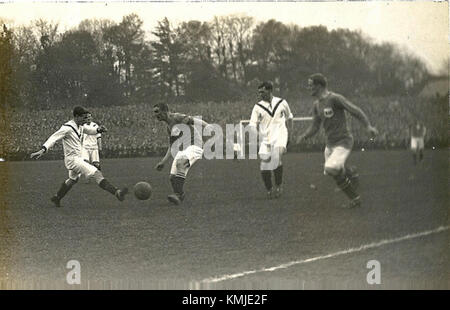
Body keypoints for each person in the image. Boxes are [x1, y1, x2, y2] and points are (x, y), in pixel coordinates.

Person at [297, 73, 378, 208]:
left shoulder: (334, 98)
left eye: (310, 85)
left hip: (343, 141)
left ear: (319, 86)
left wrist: (368, 126)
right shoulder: (317, 105)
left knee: (331, 169)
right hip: (330, 145)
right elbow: (315, 126)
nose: (308, 88)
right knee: (334, 171)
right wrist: (304, 136)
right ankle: (351, 173)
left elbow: (355, 110)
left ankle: (355, 198)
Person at [30, 106, 128, 207]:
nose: (85, 120)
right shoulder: (67, 128)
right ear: (76, 117)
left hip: (78, 158)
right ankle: (117, 192)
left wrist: (98, 130)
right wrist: (43, 149)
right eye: (83, 118)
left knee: (73, 180)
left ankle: (57, 197)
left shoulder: (80, 125)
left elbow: (90, 131)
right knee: (97, 173)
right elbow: (53, 138)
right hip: (73, 160)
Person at [153, 103, 210, 205]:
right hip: (183, 150)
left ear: (165, 110)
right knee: (172, 177)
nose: (155, 114)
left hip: (195, 145)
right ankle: (180, 194)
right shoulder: (169, 127)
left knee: (181, 163)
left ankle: (177, 195)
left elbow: (193, 120)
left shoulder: (177, 117)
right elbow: (172, 146)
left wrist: (207, 126)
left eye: (157, 111)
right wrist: (163, 162)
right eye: (154, 112)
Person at [249, 81, 293, 199]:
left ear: (269, 90)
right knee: (264, 165)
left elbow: (289, 118)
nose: (260, 94)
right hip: (266, 138)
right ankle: (269, 189)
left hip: (280, 135)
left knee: (276, 158)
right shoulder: (257, 107)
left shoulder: (282, 102)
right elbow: (252, 125)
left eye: (262, 92)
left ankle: (278, 186)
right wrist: (258, 136)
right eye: (259, 92)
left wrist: (290, 135)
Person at [82, 113, 102, 183]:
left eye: (90, 117)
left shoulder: (95, 125)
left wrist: (100, 146)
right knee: (86, 163)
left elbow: (99, 137)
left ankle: (100, 177)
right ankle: (88, 179)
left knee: (96, 164)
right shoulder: (82, 126)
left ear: (91, 118)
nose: (88, 118)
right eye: (87, 117)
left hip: (94, 147)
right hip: (85, 147)